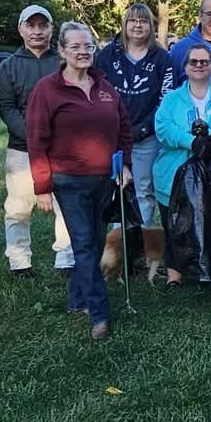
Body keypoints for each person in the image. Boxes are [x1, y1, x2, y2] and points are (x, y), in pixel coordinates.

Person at [26, 22, 133, 340]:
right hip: (68, 181)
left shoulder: (105, 87)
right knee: (86, 246)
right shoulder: (47, 89)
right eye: (75, 47)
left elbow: (123, 129)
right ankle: (100, 315)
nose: (83, 52)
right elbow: (36, 139)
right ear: (62, 51)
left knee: (95, 243)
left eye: (88, 46)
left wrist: (124, 165)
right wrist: (42, 186)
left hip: (103, 180)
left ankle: (77, 299)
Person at [0, 4, 73, 279]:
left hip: (62, 148)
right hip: (22, 149)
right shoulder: (9, 66)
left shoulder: (64, 62)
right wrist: (31, 135)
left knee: (66, 206)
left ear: (52, 29)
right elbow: (5, 105)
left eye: (43, 25)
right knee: (17, 207)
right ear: (21, 28)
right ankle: (19, 261)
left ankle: (66, 258)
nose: (37, 31)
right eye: (32, 25)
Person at [95, 3, 175, 227]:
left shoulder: (162, 57)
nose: (137, 25)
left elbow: (165, 98)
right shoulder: (107, 55)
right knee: (110, 190)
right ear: (124, 24)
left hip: (146, 138)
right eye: (132, 20)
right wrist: (112, 128)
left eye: (143, 21)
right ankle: (112, 247)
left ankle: (138, 246)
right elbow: (97, 92)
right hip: (110, 136)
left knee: (143, 191)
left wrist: (143, 129)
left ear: (150, 26)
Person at [153, 44, 211, 286]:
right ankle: (176, 274)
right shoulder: (172, 99)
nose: (199, 66)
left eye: (204, 61)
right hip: (174, 173)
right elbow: (163, 127)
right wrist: (191, 141)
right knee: (175, 224)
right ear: (185, 67)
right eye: (193, 62)